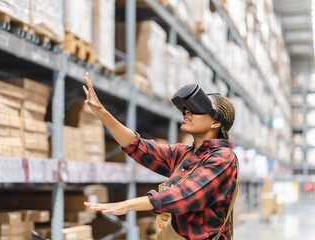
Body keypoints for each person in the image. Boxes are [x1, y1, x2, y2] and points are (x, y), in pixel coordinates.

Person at [83, 73, 238, 240]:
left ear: (215, 122)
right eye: (186, 108)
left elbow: (186, 195)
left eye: (196, 108)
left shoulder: (223, 159)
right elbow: (138, 146)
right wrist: (101, 112)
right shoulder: (183, 153)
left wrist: (127, 205)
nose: (186, 112)